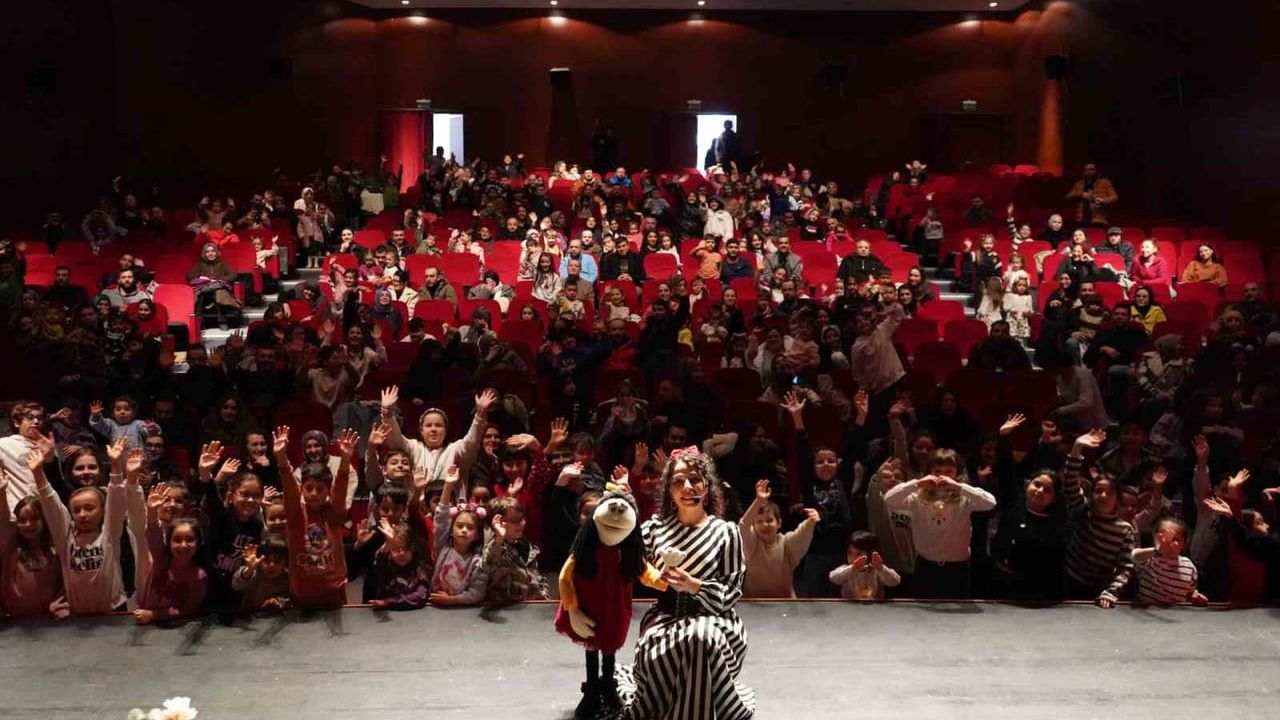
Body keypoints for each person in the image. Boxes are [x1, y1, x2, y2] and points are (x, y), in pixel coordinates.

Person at [616, 449, 755, 719]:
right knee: (691, 641)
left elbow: (731, 593)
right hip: (665, 620)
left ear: (706, 486)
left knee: (701, 637)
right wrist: (624, 497)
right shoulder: (654, 529)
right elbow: (625, 555)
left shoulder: (726, 532)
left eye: (694, 479)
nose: (687, 487)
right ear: (668, 490)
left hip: (716, 621)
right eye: (679, 481)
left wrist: (696, 586)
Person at [883, 449, 997, 599]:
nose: (943, 476)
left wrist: (959, 487)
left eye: (948, 471)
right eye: (937, 471)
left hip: (957, 568)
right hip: (926, 566)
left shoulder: (965, 497)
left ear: (956, 473)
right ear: (930, 472)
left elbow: (990, 502)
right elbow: (889, 499)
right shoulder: (918, 497)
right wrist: (917, 484)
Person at [35, 439, 128, 614]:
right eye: (77, 510)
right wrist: (38, 474)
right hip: (79, 615)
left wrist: (116, 465)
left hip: (113, 611)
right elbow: (50, 503)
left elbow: (116, 499)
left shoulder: (109, 533)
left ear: (103, 510)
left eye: (89, 508)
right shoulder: (65, 537)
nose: (83, 514)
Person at [271, 426, 358, 609]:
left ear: (328, 490)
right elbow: (288, 484)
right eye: (308, 488)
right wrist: (281, 458)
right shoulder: (295, 515)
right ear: (301, 489)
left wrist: (345, 460)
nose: (314, 494)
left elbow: (341, 487)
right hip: (303, 592)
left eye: (320, 489)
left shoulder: (333, 515)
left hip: (333, 591)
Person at [1061, 430, 1134, 608]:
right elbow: (1070, 481)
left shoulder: (1124, 529)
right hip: (1069, 583)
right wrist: (1077, 447)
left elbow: (1126, 567)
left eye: (1109, 492)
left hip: (1099, 589)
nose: (1103, 495)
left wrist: (1111, 591)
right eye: (1098, 491)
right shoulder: (1082, 510)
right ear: (1091, 494)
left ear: (1117, 497)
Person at [829, 531, 901, 600]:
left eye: (859, 554)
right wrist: (852, 568)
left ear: (869, 555)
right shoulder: (846, 569)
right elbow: (833, 578)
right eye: (850, 553)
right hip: (850, 610)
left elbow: (895, 581)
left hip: (874, 609)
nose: (853, 558)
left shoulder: (877, 570)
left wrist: (880, 568)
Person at [187, 243, 242, 330]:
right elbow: (189, 276)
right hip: (204, 289)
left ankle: (222, 321)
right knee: (199, 294)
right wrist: (201, 278)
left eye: (213, 251)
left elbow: (233, 275)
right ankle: (199, 323)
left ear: (216, 252)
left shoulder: (222, 263)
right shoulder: (200, 264)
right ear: (204, 254)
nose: (210, 253)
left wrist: (218, 279)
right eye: (207, 252)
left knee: (219, 292)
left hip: (218, 288)